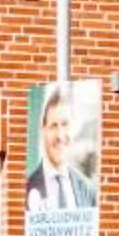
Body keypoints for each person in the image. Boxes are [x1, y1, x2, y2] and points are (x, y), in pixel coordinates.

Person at [25, 82, 99, 218]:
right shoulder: (26, 189)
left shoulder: (87, 190)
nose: (60, 135)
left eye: (65, 124)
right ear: (43, 131)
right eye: (53, 126)